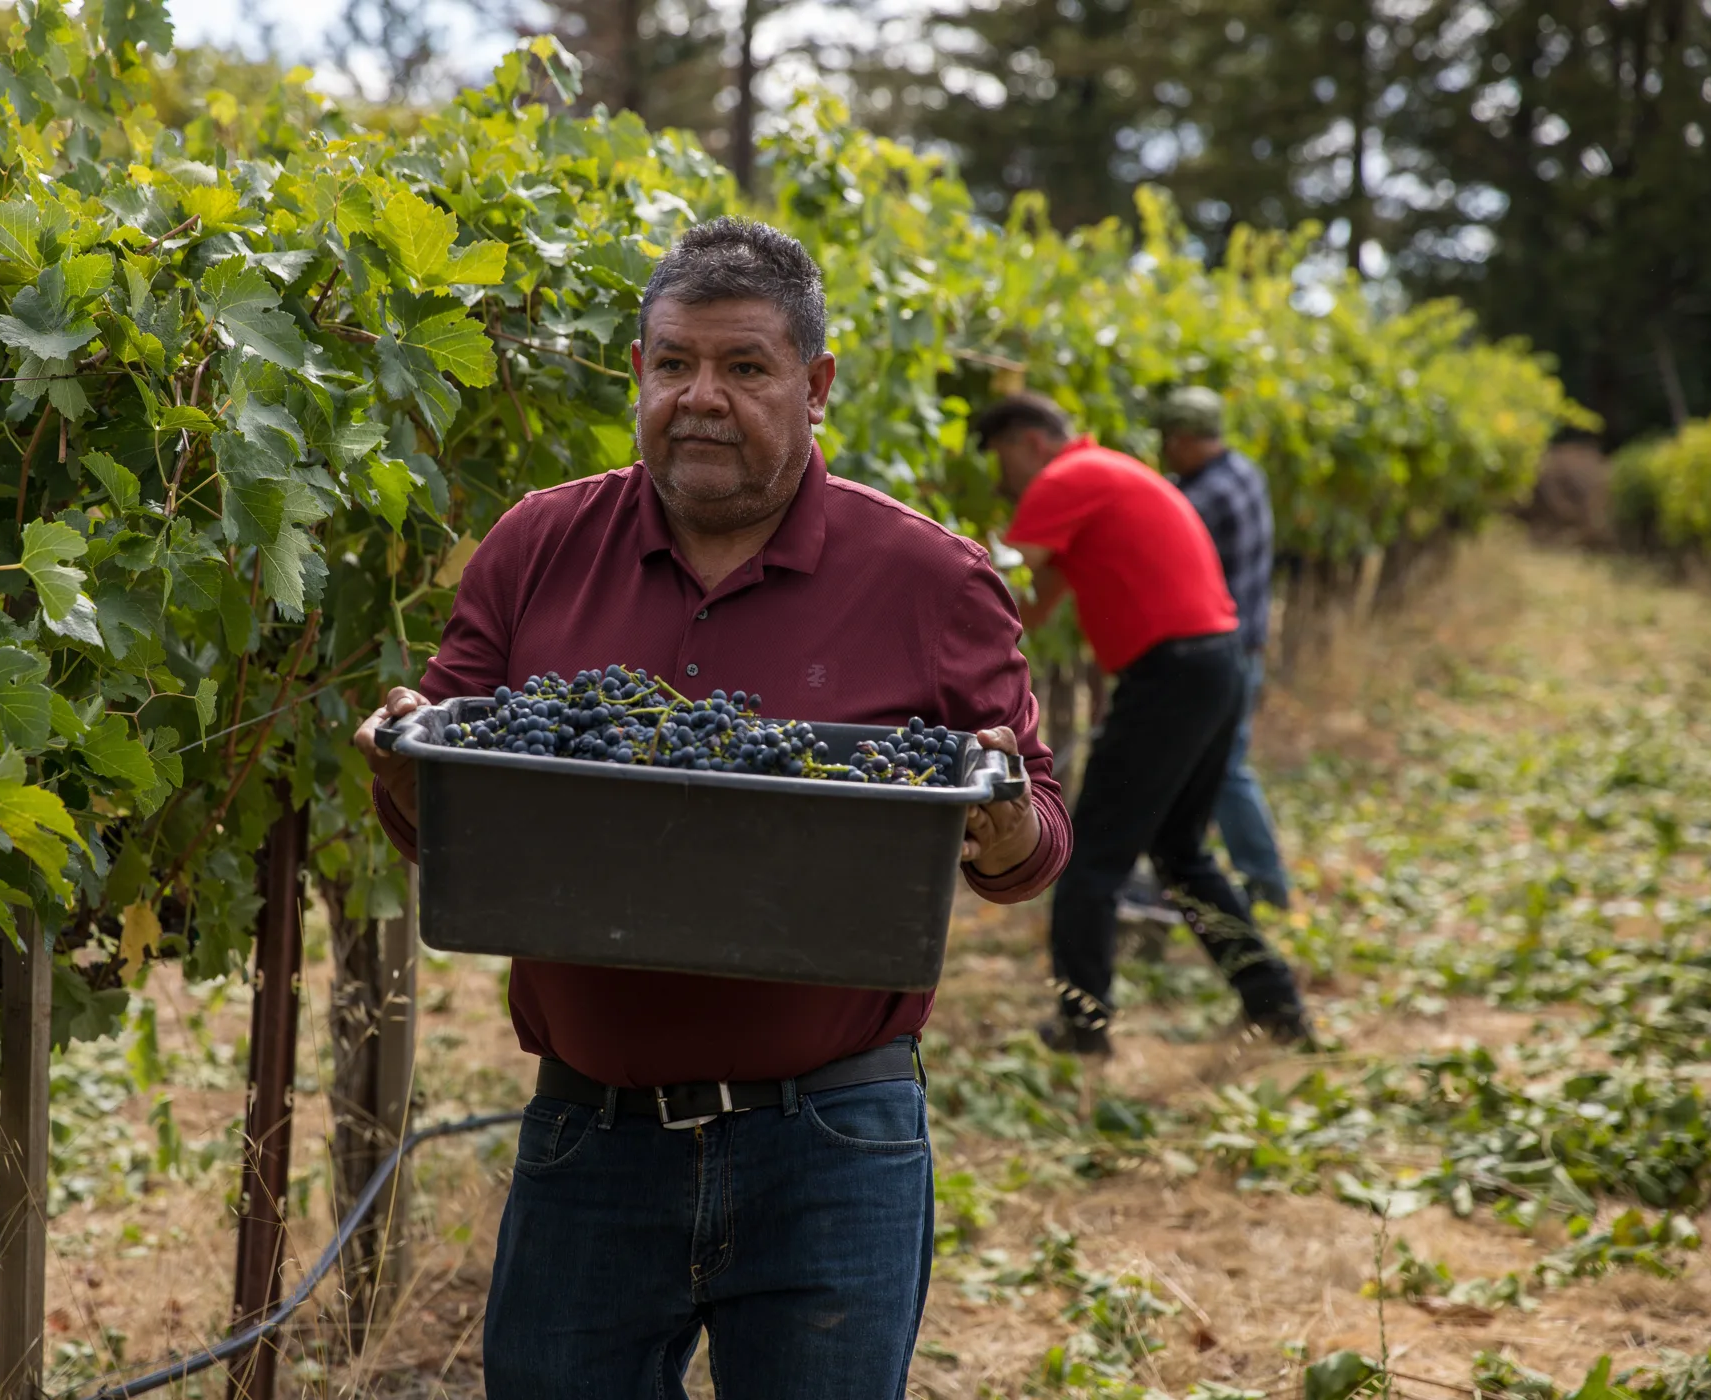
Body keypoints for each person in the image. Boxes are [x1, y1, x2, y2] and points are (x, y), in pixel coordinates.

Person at [358, 219, 1074, 1399]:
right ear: (636, 372)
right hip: (590, 1132)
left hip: (835, 1140)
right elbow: (455, 800)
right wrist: (399, 757)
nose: (700, 397)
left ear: (817, 384)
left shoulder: (931, 578)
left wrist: (999, 823)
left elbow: (1036, 826)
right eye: (673, 363)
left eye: (744, 368)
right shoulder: (537, 544)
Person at [972, 391, 1310, 1057]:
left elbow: (990, 585)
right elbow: (1029, 613)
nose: (1003, 481)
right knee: (1181, 853)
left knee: (1089, 855)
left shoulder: (1064, 479)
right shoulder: (1103, 478)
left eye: (1001, 459)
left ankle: (1083, 1025)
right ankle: (1277, 1005)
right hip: (1214, 664)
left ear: (1030, 443)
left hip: (1173, 674)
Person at [1158, 386, 1291, 910]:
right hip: (1247, 643)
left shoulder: (1202, 498)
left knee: (1225, 767)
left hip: (1223, 651)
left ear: (1190, 440)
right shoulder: (1242, 472)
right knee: (1221, 764)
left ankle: (1266, 880)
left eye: (1170, 440)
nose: (1165, 450)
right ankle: (1247, 875)